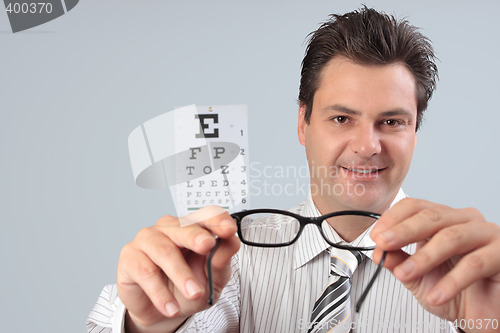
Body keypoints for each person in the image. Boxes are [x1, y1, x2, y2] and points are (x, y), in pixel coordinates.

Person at [87, 6, 500, 333]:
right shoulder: (233, 258)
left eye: (391, 122)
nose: (367, 146)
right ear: (302, 123)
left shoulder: (471, 274)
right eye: (342, 119)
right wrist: (150, 323)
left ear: (415, 132)